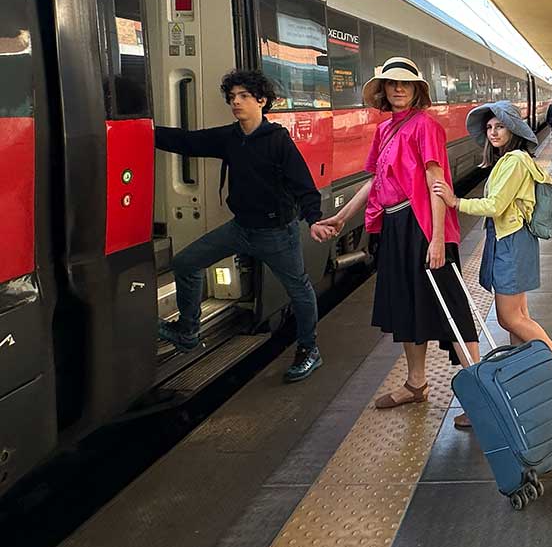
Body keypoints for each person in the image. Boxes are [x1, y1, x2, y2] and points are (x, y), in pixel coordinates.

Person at [313, 56, 480, 425]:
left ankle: (479, 395)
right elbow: (374, 182)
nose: (399, 88)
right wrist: (341, 218)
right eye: (392, 84)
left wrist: (437, 239)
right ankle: (416, 384)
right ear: (384, 92)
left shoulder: (425, 127)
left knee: (450, 308)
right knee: (407, 306)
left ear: (417, 90)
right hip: (394, 227)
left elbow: (438, 184)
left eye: (405, 83)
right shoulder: (386, 130)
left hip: (422, 226)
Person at [155, 69, 323, 383]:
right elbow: (187, 142)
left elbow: (305, 188)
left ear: (262, 101)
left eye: (244, 96)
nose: (236, 102)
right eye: (232, 97)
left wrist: (314, 220)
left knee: (299, 292)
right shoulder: (230, 137)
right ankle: (188, 330)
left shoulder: (278, 142)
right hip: (241, 229)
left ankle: (309, 349)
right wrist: (144, 131)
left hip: (276, 235)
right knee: (185, 263)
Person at [431, 100, 552, 382]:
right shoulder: (511, 161)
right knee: (519, 316)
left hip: (511, 242)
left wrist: (455, 201)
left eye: (500, 126)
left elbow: (495, 205)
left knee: (509, 318)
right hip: (513, 241)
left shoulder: (514, 161)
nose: (493, 132)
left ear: (513, 128)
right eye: (489, 128)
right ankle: (526, 374)